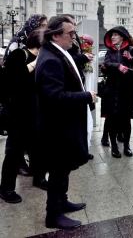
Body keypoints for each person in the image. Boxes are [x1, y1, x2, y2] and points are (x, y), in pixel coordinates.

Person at [35, 16, 95, 229]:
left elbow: (69, 65)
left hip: (63, 125)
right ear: (56, 35)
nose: (74, 37)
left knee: (64, 169)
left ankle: (63, 201)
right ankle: (54, 214)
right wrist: (87, 96)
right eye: (70, 33)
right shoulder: (51, 59)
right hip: (57, 128)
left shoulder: (56, 52)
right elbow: (56, 97)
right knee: (58, 170)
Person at [0, 30, 47, 204]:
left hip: (35, 111)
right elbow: (13, 79)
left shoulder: (44, 58)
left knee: (38, 148)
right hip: (18, 113)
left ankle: (39, 177)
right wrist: (36, 62)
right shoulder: (20, 54)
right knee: (14, 152)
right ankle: (6, 188)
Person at [59, 14, 95, 160]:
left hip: (78, 85)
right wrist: (83, 58)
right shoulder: (56, 52)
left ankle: (82, 149)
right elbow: (67, 60)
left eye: (75, 26)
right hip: (71, 93)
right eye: (71, 29)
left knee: (86, 122)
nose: (74, 32)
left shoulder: (75, 40)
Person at [101, 26, 133, 158]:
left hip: (127, 90)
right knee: (112, 120)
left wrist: (130, 62)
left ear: (123, 36)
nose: (113, 37)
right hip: (112, 90)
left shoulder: (132, 50)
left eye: (116, 35)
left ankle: (127, 146)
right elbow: (106, 64)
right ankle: (114, 147)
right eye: (111, 35)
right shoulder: (109, 51)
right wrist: (118, 66)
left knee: (126, 120)